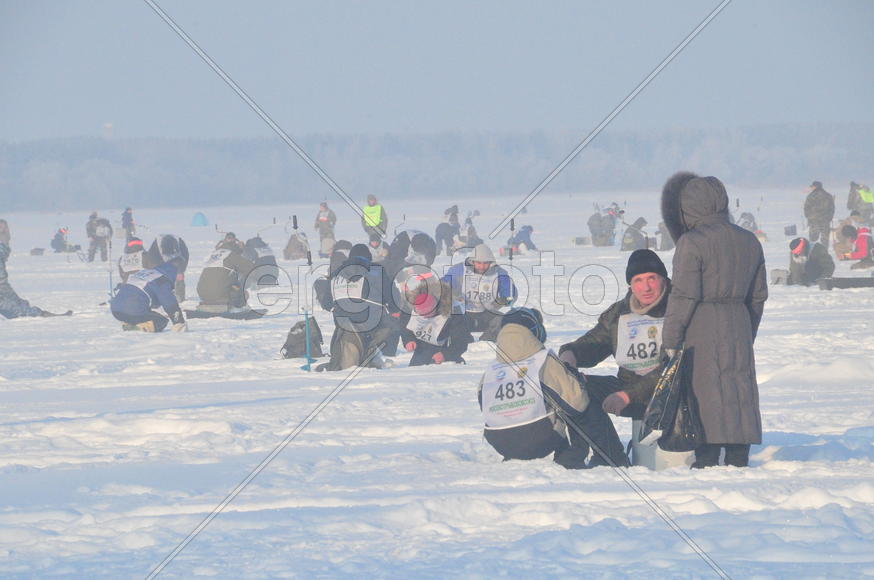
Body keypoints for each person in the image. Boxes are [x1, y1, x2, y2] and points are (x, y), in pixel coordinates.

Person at [661, 172, 767, 469]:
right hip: (739, 320)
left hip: (702, 324)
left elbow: (682, 296)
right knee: (739, 387)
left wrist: (670, 339)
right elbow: (758, 296)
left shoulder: (691, 243)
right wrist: (748, 331)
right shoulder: (750, 241)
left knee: (705, 389)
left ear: (689, 207)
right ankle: (738, 455)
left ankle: (706, 456)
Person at [478, 308, 629, 469]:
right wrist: (574, 378)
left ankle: (513, 457)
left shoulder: (490, 371)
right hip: (538, 439)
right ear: (534, 332)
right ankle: (576, 458)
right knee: (581, 398)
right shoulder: (542, 360)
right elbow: (577, 403)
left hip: (499, 441)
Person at [558, 249, 671, 421]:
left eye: (651, 278)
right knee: (573, 389)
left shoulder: (679, 309)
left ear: (663, 279)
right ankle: (606, 448)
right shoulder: (619, 313)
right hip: (629, 389)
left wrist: (627, 396)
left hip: (670, 393)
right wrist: (570, 354)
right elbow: (595, 342)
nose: (646, 287)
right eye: (638, 280)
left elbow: (673, 368)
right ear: (630, 285)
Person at [316, 244, 398, 371]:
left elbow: (327, 303)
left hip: (342, 321)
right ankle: (383, 355)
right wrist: (394, 310)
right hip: (370, 322)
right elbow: (392, 297)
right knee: (391, 324)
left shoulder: (336, 273)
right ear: (369, 258)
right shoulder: (376, 270)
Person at [441, 243, 517, 341]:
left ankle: (486, 340)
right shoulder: (459, 270)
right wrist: (452, 296)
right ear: (472, 261)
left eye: (485, 263)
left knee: (506, 321)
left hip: (487, 313)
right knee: (445, 319)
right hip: (463, 314)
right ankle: (462, 340)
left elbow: (510, 291)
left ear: (491, 262)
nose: (482, 266)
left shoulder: (499, 273)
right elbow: (443, 286)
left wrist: (505, 299)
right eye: (478, 263)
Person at [1, 219, 70, 318]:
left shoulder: (3, 246)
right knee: (10, 304)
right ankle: (35, 313)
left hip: (2, 283)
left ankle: (37, 314)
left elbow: (4, 251)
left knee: (14, 302)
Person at [401, 283, 472, 366]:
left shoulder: (454, 312)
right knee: (415, 367)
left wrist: (445, 355)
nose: (424, 316)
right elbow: (404, 325)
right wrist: (408, 340)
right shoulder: (410, 307)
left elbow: (460, 342)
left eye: (428, 313)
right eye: (421, 314)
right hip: (422, 346)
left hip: (444, 346)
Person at [110, 258, 187, 332]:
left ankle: (129, 321)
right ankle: (136, 328)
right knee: (160, 321)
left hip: (116, 310)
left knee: (143, 312)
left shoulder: (146, 272)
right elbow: (169, 303)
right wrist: (179, 322)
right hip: (132, 310)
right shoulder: (161, 280)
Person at [195, 233, 256, 312]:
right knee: (243, 292)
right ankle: (237, 308)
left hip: (202, 294)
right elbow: (250, 267)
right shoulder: (230, 254)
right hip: (219, 293)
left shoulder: (212, 255)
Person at [146, 234, 189, 303]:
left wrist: (181, 271)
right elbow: (151, 259)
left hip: (178, 261)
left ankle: (180, 298)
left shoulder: (180, 244)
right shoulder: (156, 247)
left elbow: (186, 256)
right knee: (160, 279)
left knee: (179, 277)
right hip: (159, 261)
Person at [803, 181, 835, 248]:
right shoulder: (828, 195)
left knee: (813, 239)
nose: (811, 188)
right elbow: (832, 209)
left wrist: (809, 217)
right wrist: (829, 218)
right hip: (825, 221)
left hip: (813, 221)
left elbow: (806, 208)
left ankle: (812, 253)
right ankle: (825, 253)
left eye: (812, 186)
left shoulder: (810, 196)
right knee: (825, 240)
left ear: (816, 186)